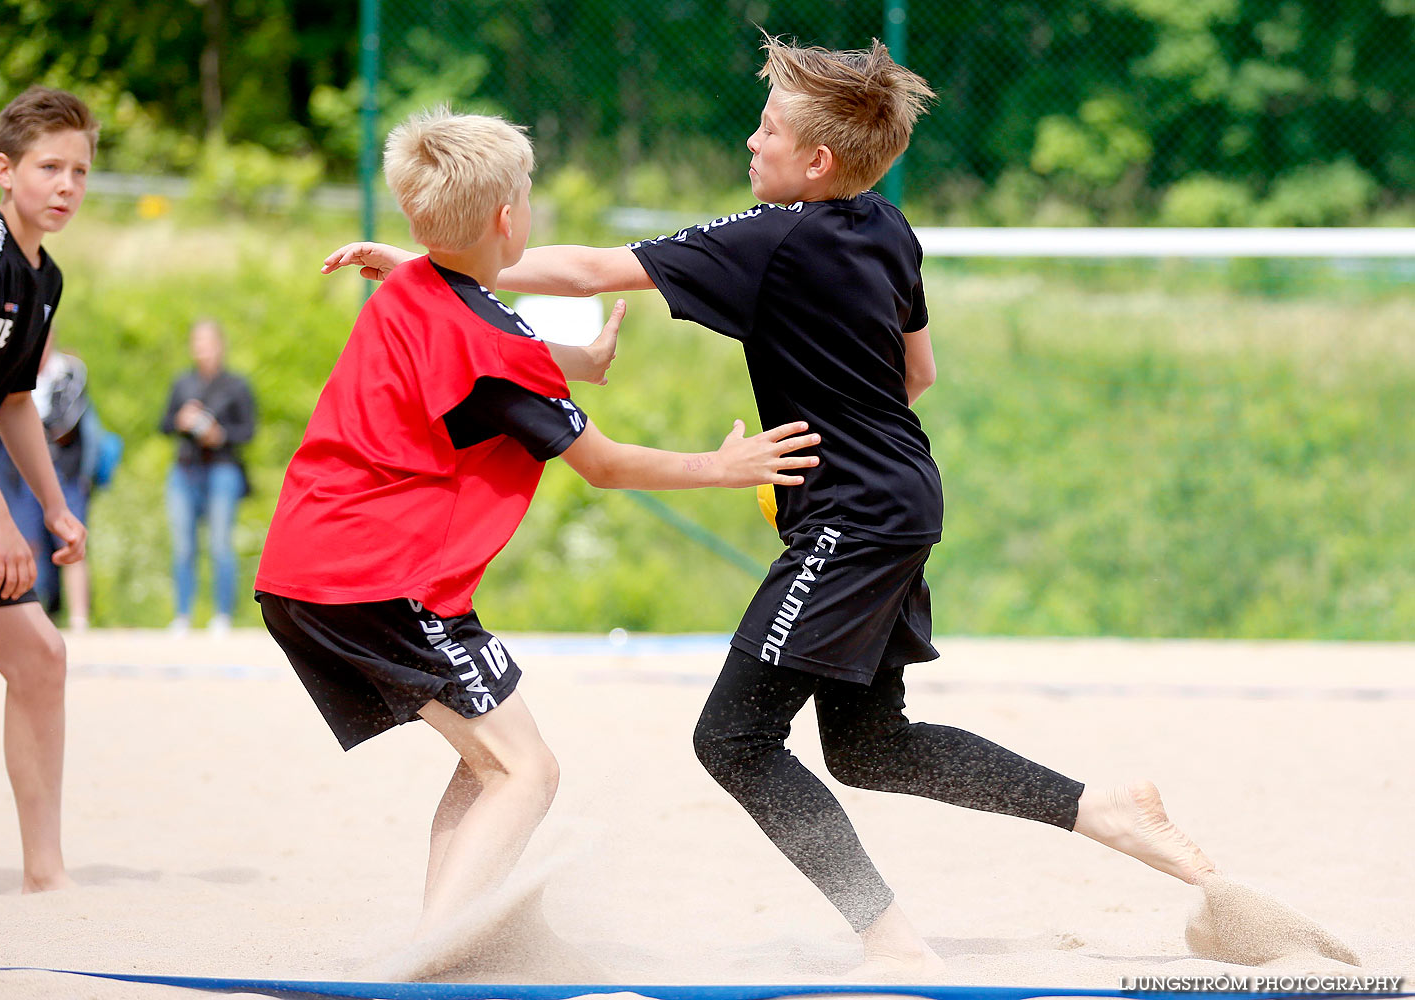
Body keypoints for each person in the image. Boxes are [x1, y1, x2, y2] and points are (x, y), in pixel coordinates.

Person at [324, 36, 1219, 980]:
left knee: (734, 739)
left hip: (856, 515)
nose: (752, 141)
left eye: (770, 129)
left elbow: (588, 271)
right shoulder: (886, 227)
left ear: (816, 162)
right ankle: (1103, 808)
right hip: (903, 496)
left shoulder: (772, 239)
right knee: (873, 747)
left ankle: (888, 936)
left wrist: (436, 265)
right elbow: (919, 372)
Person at [259, 108, 819, 973]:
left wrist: (581, 362)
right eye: (525, 194)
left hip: (314, 565)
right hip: (383, 579)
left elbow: (480, 339)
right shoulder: (495, 347)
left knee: (494, 763)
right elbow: (600, 463)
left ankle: (459, 933)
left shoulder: (409, 288)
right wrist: (723, 464)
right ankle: (426, 957)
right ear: (506, 220)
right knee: (528, 774)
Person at [0, 86, 94, 893]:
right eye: (49, 167)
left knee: (42, 659)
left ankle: (45, 874)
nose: (67, 185)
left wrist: (54, 508)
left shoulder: (43, 277)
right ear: (3, 171)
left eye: (81, 171)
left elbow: (16, 399)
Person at [0, 335, 99, 629]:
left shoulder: (69, 370)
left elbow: (68, 421)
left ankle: (79, 617)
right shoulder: (9, 365)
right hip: (13, 474)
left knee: (72, 543)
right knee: (27, 545)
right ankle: (34, 617)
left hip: (63, 472)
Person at [159, 318, 255, 634]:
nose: (203, 349)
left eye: (208, 342)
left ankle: (222, 615)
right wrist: (181, 421)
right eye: (197, 343)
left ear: (220, 345)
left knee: (220, 544)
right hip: (185, 469)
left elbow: (248, 431)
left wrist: (220, 435)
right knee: (183, 544)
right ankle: (182, 614)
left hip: (223, 469)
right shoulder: (182, 383)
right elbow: (163, 425)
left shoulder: (237, 385)